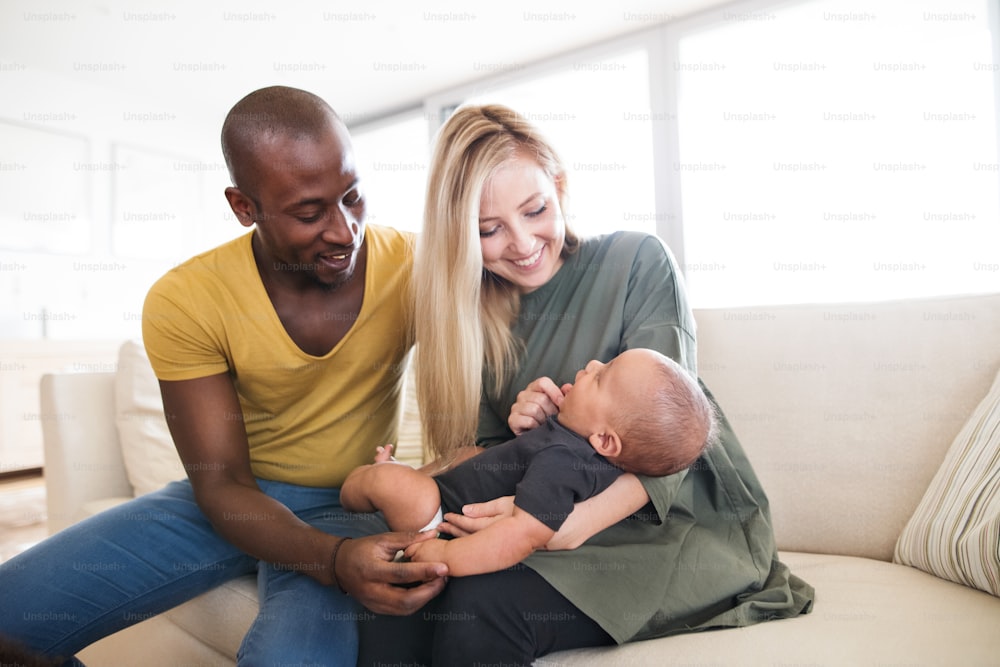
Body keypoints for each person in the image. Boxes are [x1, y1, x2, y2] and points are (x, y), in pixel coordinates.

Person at [0, 86, 448, 667]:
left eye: (353, 197)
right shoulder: (186, 299)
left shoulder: (415, 267)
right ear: (244, 208)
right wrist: (333, 560)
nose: (343, 231)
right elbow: (222, 485)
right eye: (309, 213)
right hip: (230, 497)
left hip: (349, 499)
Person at [358, 104, 815, 666]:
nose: (522, 243)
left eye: (535, 210)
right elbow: (492, 462)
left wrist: (567, 527)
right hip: (541, 510)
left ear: (559, 186)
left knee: (482, 605)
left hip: (663, 523)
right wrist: (513, 433)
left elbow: (673, 433)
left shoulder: (636, 260)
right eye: (489, 229)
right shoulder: (471, 319)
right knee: (402, 595)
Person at [342, 348, 717, 575]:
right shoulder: (572, 446)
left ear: (604, 439)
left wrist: (446, 555)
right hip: (448, 493)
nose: (591, 363)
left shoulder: (565, 462)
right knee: (461, 456)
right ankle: (392, 479)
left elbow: (519, 537)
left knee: (387, 483)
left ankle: (357, 489)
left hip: (442, 515)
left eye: (601, 377)